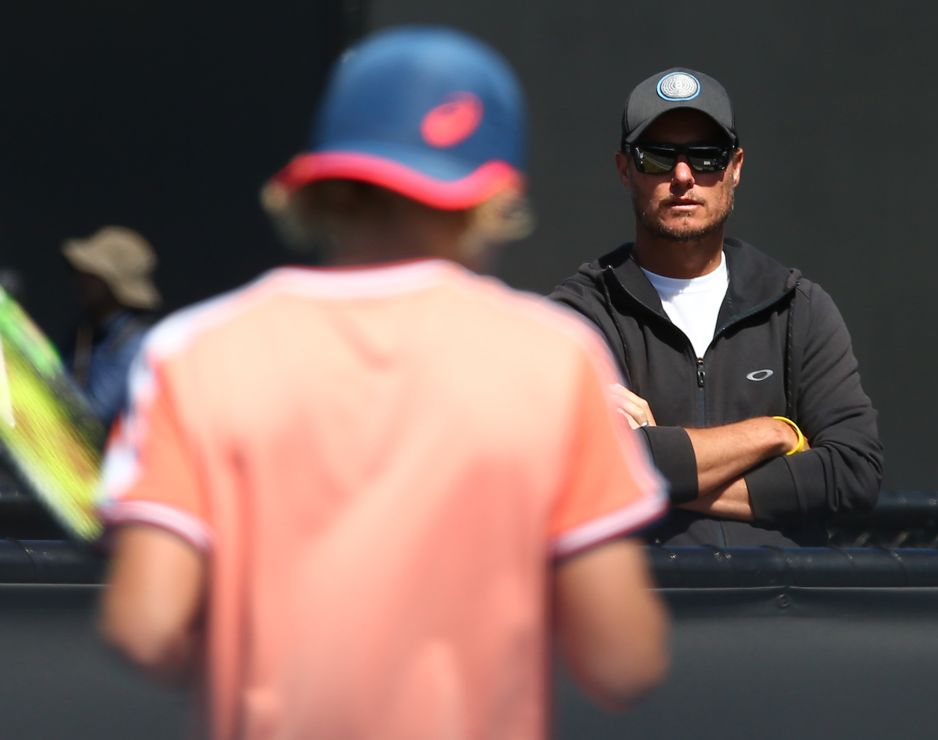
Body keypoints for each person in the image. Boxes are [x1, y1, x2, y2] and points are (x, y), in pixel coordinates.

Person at [97, 27, 669, 740]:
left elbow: (144, 626)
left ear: (325, 178)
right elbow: (624, 661)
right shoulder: (557, 359)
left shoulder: (191, 352)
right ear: (496, 194)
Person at [551, 67, 882, 547]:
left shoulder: (797, 308)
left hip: (781, 609)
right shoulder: (578, 318)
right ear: (625, 169)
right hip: (650, 607)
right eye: (658, 156)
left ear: (736, 167)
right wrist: (773, 433)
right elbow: (581, 463)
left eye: (707, 157)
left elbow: (855, 472)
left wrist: (658, 474)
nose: (683, 176)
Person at [62, 226, 161, 429]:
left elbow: (92, 417)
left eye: (91, 274)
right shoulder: (86, 330)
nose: (80, 278)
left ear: (110, 284)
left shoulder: (135, 346)